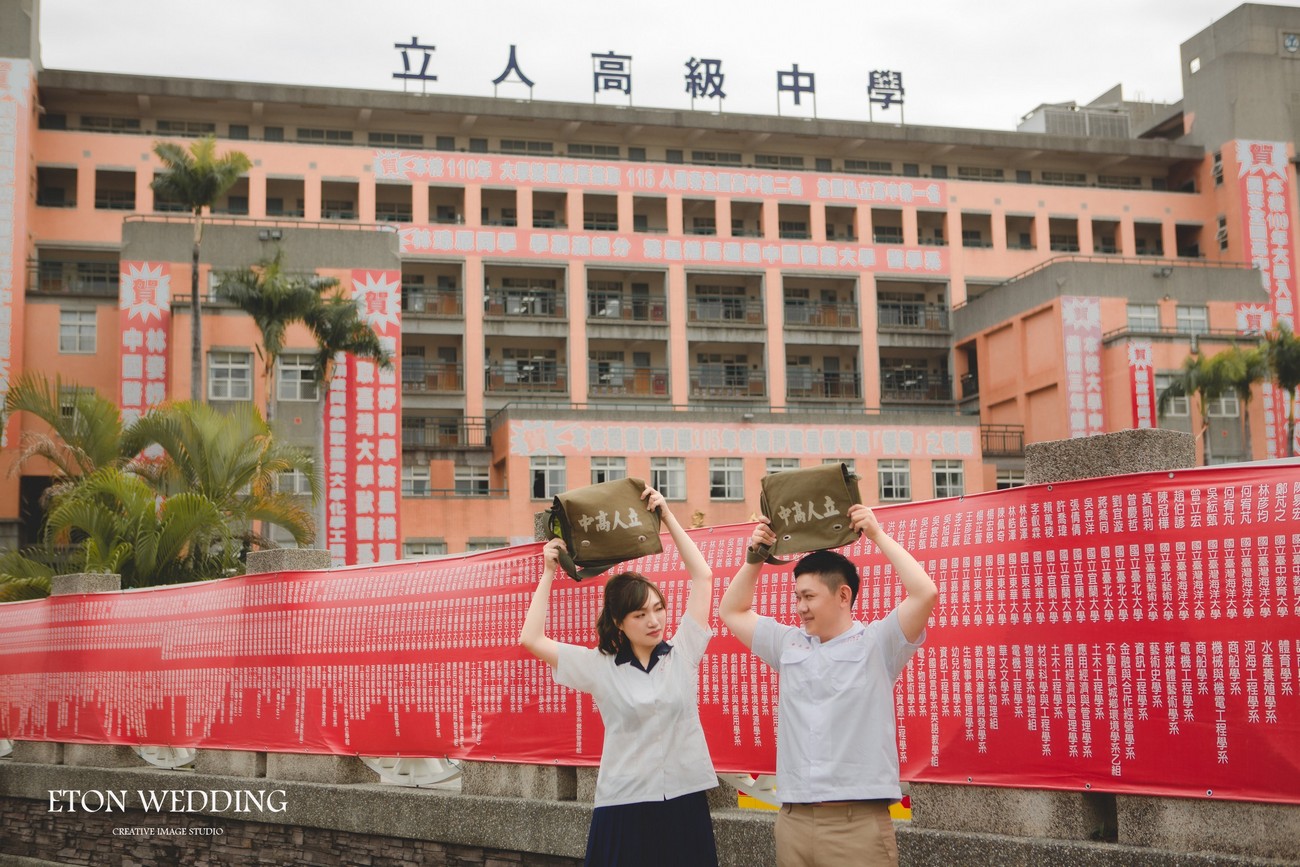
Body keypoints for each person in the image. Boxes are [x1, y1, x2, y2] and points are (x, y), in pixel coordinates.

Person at [719, 503, 938, 867]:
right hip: (793, 820)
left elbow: (924, 593)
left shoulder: (877, 643)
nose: (800, 607)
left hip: (857, 826)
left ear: (843, 596)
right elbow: (732, 611)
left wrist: (878, 535)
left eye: (809, 597)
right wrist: (756, 557)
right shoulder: (788, 643)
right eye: (797, 597)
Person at [519, 484, 720, 867]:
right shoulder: (598, 666)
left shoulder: (683, 653)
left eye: (658, 609)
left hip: (684, 799)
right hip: (625, 804)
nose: (654, 621)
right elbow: (531, 639)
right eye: (640, 614)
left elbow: (704, 578)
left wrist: (667, 518)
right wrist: (548, 573)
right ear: (618, 622)